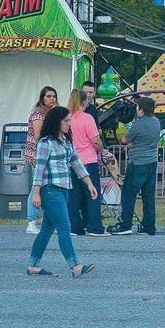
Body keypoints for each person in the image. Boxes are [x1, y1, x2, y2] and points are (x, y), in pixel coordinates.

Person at [28, 106, 97, 278]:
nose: (68, 124)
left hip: (64, 189)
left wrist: (89, 183)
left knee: (46, 230)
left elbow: (76, 163)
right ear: (56, 121)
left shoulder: (66, 141)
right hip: (50, 190)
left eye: (69, 120)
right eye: (65, 121)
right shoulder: (45, 143)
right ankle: (75, 265)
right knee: (64, 227)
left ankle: (32, 265)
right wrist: (36, 193)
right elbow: (39, 169)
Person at [109, 97, 161, 235]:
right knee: (148, 196)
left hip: (138, 162)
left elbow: (125, 140)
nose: (136, 110)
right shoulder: (157, 122)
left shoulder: (138, 124)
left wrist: (131, 143)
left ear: (142, 110)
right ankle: (149, 226)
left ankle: (126, 224)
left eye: (137, 108)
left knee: (128, 194)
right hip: (152, 161)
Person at [66, 89, 109, 237]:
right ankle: (94, 226)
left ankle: (74, 226)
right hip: (88, 160)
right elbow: (95, 140)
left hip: (71, 161)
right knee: (93, 194)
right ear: (84, 101)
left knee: (73, 195)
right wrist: (102, 151)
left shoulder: (67, 118)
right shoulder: (87, 118)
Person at [24, 86, 58, 235]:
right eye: (49, 96)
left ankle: (48, 221)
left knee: (46, 188)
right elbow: (38, 135)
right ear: (42, 98)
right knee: (36, 187)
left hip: (48, 155)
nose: (52, 99)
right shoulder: (38, 114)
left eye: (54, 96)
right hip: (38, 155)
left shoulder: (53, 114)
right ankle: (31, 221)